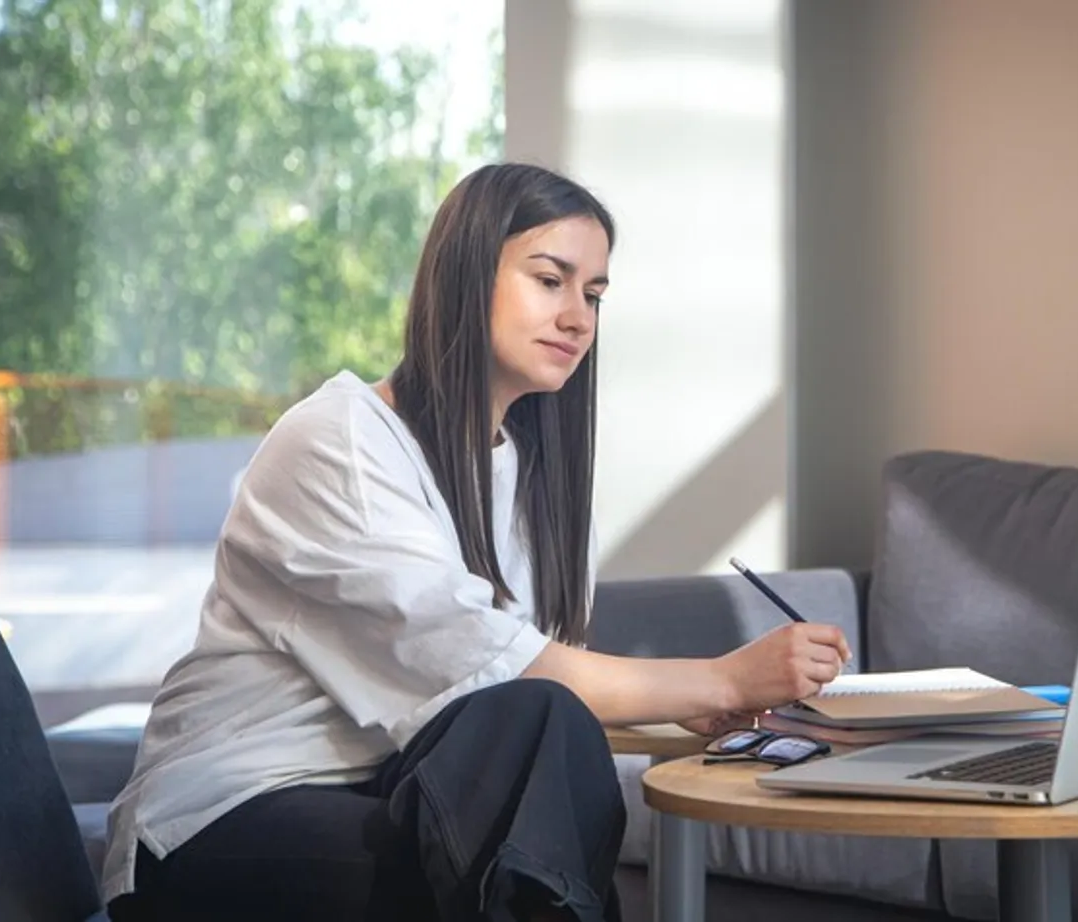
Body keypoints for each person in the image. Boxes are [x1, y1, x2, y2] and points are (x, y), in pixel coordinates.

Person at [101, 162, 852, 922]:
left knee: (537, 755)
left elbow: (502, 699)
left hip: (398, 792)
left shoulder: (526, 477)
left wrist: (680, 708)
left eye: (593, 295)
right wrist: (719, 680)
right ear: (466, 274)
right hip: (226, 818)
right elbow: (478, 663)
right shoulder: (339, 440)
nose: (578, 318)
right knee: (533, 736)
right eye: (550, 280)